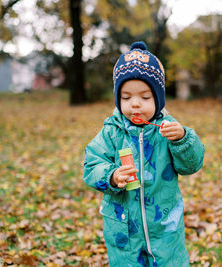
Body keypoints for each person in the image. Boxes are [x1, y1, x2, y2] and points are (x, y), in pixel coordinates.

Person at [83, 41, 205, 267]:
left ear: (158, 98)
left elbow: (192, 165)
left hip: (164, 226)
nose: (135, 105)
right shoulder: (111, 131)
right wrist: (111, 176)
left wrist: (182, 139)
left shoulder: (168, 129)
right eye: (126, 97)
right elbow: (91, 164)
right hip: (124, 230)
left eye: (145, 97)